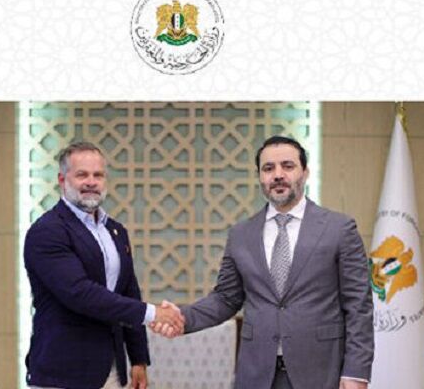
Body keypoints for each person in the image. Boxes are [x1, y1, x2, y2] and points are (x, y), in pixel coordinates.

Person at [152, 136, 374, 389]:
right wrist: (181, 317)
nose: (278, 175)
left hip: (321, 372)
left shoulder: (339, 229)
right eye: (268, 168)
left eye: (288, 166)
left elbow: (358, 305)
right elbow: (226, 298)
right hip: (257, 374)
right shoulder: (241, 234)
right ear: (259, 177)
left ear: (305, 173)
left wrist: (356, 372)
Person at [24, 142, 184, 389]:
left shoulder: (116, 231)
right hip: (62, 371)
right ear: (62, 180)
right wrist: (153, 313)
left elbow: (129, 291)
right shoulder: (47, 231)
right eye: (82, 175)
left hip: (111, 371)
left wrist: (138, 359)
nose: (91, 182)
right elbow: (80, 293)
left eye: (97, 175)